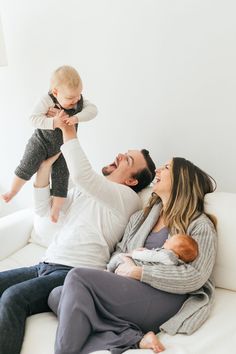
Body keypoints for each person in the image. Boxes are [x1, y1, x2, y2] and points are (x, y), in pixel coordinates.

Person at [0, 123, 156, 354]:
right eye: (125, 153)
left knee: (14, 297)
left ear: (132, 181)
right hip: (44, 265)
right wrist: (44, 168)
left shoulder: (126, 199)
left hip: (73, 273)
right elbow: (44, 209)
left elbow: (83, 175)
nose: (120, 155)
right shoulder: (85, 190)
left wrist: (68, 132)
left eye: (128, 160)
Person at [48, 157, 217, 354]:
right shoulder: (140, 218)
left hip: (165, 297)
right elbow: (119, 252)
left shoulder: (200, 225)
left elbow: (195, 276)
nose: (158, 170)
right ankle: (133, 338)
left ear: (182, 180)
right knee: (56, 295)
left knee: (77, 277)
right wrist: (123, 265)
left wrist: (138, 272)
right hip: (130, 288)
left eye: (167, 168)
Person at [2, 65, 98, 222]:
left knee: (62, 178)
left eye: (78, 95)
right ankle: (12, 191)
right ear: (55, 92)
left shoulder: (78, 100)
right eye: (70, 98)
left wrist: (75, 118)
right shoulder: (46, 100)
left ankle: (55, 210)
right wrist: (53, 121)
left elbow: (93, 110)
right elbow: (32, 118)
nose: (75, 101)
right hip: (40, 142)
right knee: (27, 165)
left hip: (62, 149)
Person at [107, 233, 199, 272]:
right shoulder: (172, 260)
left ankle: (108, 270)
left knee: (120, 257)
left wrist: (134, 254)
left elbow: (150, 256)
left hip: (136, 266)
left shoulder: (168, 256)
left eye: (170, 240)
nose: (167, 239)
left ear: (177, 252)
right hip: (139, 267)